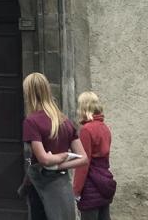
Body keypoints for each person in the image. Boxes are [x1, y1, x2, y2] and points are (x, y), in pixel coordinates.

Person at [21, 72, 88, 220]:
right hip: (62, 183)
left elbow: (43, 159)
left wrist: (59, 158)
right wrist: (60, 166)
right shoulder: (65, 121)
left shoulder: (31, 122)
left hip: (42, 185)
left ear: (28, 94)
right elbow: (84, 158)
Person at [73, 91, 116, 220]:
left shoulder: (86, 130)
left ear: (84, 108)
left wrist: (76, 190)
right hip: (104, 184)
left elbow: (83, 164)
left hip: (90, 187)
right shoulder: (105, 128)